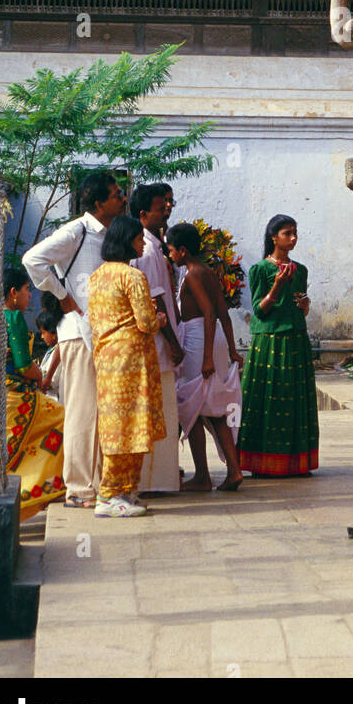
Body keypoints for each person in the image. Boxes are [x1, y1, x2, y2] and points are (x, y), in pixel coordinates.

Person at [22, 171, 126, 508]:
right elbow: (32, 259)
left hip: (99, 334)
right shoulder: (77, 231)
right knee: (83, 411)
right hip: (78, 334)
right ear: (98, 203)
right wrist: (61, 294)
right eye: (115, 194)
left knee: (98, 411)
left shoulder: (108, 235)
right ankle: (79, 489)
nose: (122, 198)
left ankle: (94, 484)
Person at [0, 268, 65, 519]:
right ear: (13, 293)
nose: (29, 296)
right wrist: (41, 377)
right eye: (26, 290)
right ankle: (35, 490)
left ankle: (3, 503)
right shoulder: (12, 318)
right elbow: (23, 364)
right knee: (63, 419)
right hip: (12, 396)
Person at [87, 215, 167, 518]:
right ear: (126, 241)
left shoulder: (97, 276)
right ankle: (109, 494)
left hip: (108, 359)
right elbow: (146, 322)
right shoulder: (131, 277)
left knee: (118, 427)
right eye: (138, 238)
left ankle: (121, 491)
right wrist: (159, 318)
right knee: (130, 427)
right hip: (132, 361)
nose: (142, 243)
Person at [238, 215, 319, 477]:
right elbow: (259, 311)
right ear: (274, 237)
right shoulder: (260, 270)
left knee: (295, 401)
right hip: (269, 341)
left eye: (295, 233)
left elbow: (300, 305)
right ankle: (262, 463)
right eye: (287, 233)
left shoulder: (301, 270)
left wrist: (305, 306)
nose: (293, 238)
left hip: (296, 339)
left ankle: (296, 462)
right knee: (267, 400)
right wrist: (276, 287)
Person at [166, 222, 244, 492]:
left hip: (200, 341)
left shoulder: (193, 274)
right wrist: (232, 349)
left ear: (183, 251)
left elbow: (210, 313)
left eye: (172, 250)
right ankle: (233, 470)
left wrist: (208, 357)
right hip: (212, 339)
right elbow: (224, 313)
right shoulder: (207, 271)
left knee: (193, 405)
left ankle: (203, 475)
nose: (170, 255)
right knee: (214, 407)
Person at [129, 184, 183, 495]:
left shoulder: (154, 245)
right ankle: (154, 481)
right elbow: (155, 300)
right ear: (143, 214)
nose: (167, 210)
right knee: (158, 411)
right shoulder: (147, 250)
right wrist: (173, 343)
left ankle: (161, 477)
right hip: (158, 344)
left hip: (161, 343)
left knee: (164, 411)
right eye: (161, 206)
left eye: (167, 205)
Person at [36, 294, 63, 401]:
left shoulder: (58, 353)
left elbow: (53, 382)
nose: (42, 337)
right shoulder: (51, 351)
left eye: (43, 332)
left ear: (53, 333)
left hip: (55, 399)